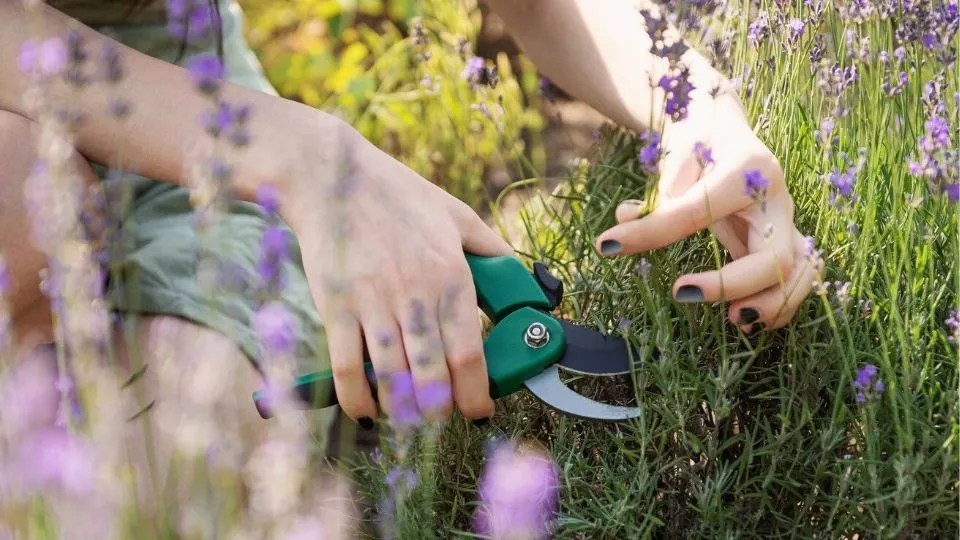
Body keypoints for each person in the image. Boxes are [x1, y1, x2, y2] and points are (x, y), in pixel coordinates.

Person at [0, 0, 817, 512]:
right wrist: (308, 158)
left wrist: (700, 116)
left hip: (199, 108)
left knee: (199, 462)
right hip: (72, 143)